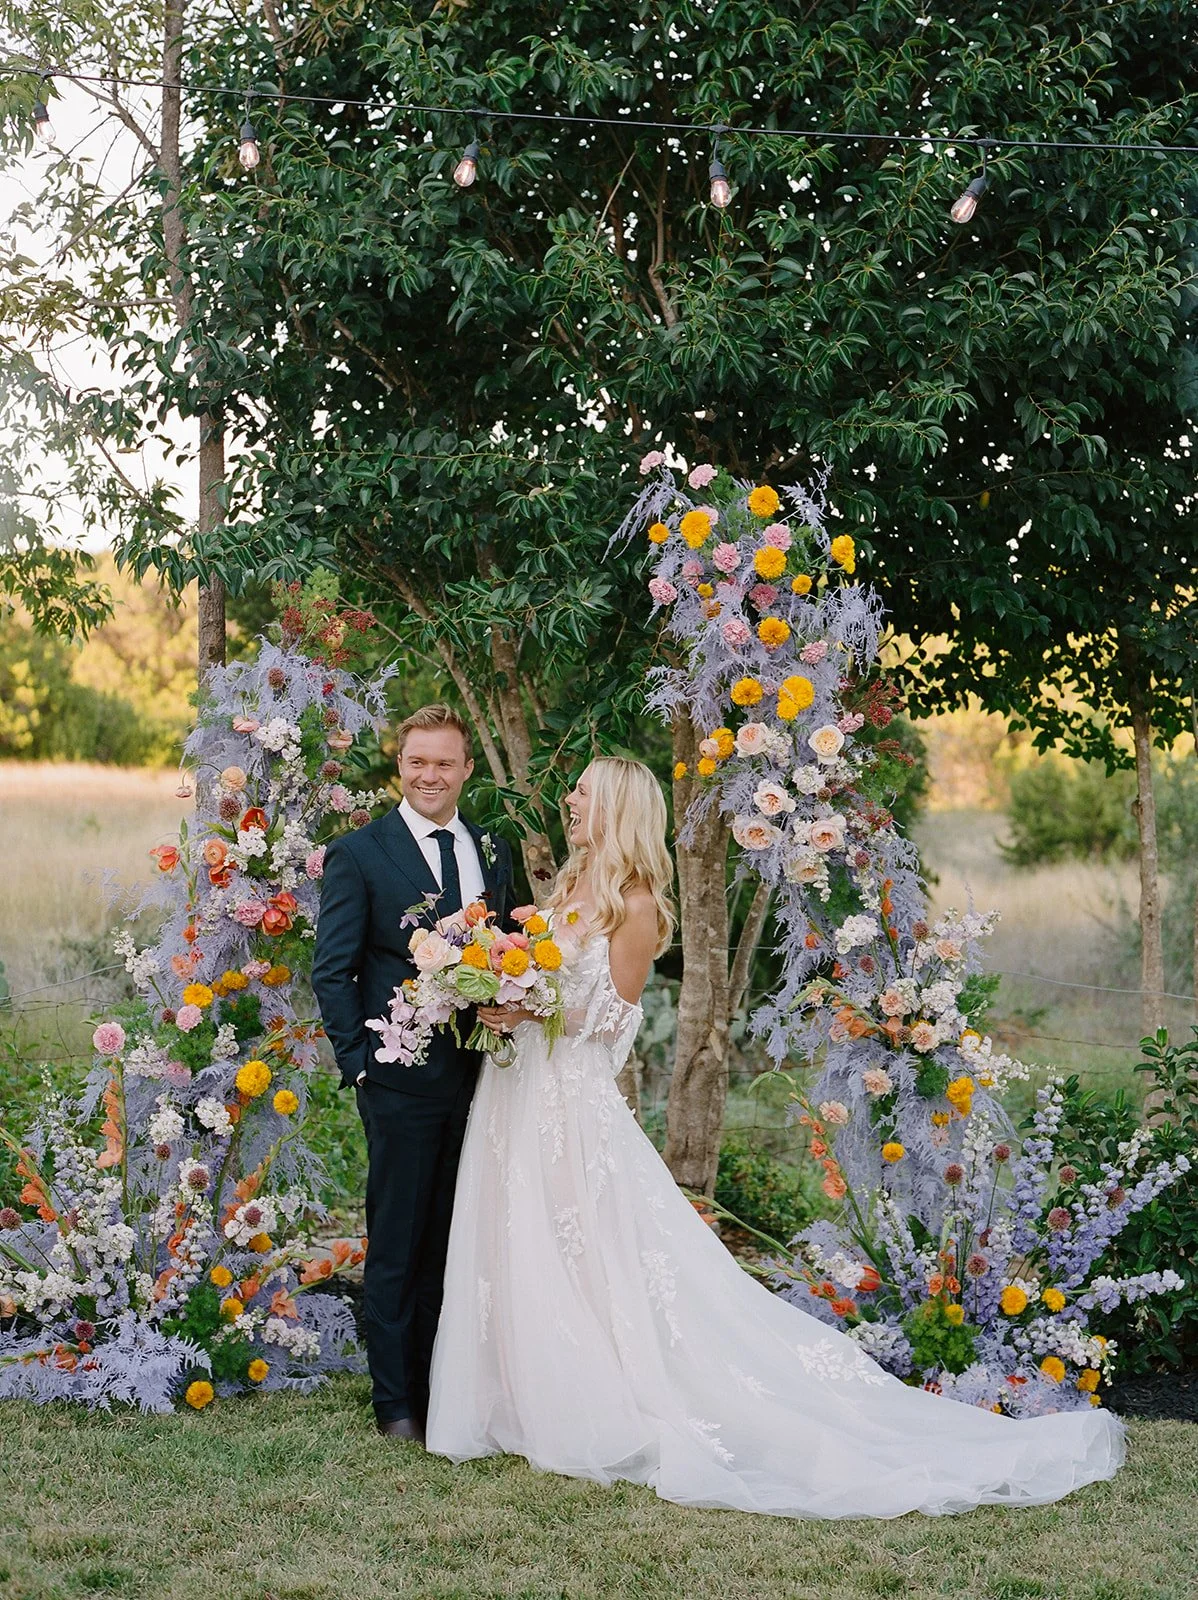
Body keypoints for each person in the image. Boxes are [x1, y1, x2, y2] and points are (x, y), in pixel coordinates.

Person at [424, 756, 1126, 1518]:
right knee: (524, 1237)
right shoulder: (565, 890)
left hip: (569, 1098)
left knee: (589, 1245)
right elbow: (542, 983)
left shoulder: (633, 906)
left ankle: (602, 1401)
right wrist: (501, 995)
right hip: (520, 1087)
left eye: (584, 793)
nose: (570, 801)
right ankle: (525, 1398)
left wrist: (534, 1008)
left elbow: (617, 1022)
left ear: (617, 808)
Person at [311, 705, 514, 1442]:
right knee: (397, 1238)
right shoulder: (360, 854)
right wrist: (363, 1068)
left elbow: (508, 947)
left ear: (466, 769)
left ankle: (445, 1388)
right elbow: (332, 972)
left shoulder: (493, 846)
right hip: (398, 1081)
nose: (430, 775)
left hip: (487, 1079)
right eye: (417, 762)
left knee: (455, 1236)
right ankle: (396, 1403)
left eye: (444, 763)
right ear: (400, 766)